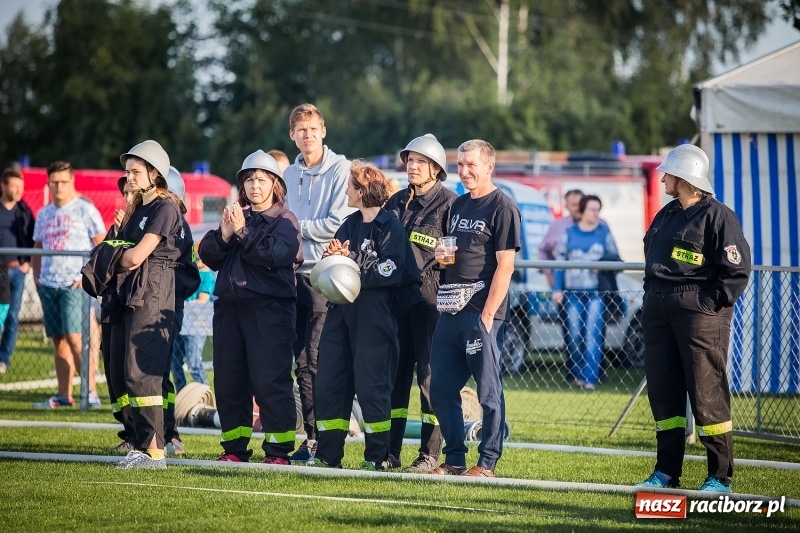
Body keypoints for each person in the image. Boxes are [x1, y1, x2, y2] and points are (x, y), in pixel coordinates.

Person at [636, 144, 751, 492]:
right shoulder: (667, 214)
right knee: (664, 393)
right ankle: (666, 472)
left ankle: (719, 476)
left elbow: (736, 271)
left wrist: (705, 304)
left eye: (667, 173)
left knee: (706, 393)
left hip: (699, 316)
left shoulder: (719, 217)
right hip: (659, 310)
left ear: (684, 176)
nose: (663, 178)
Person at [312, 160, 420, 471]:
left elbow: (390, 269)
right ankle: (327, 455)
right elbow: (338, 260)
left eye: (349, 186)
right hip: (341, 314)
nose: (345, 190)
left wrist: (353, 260)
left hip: (374, 318)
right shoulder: (349, 223)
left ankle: (377, 457)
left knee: (373, 387)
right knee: (331, 381)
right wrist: (333, 256)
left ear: (363, 190)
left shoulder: (391, 225)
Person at [198, 150, 302, 465]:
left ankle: (278, 451)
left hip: (269, 311)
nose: (254, 185)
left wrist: (241, 233)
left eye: (261, 179)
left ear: (274, 184)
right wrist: (225, 234)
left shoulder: (284, 220)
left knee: (270, 380)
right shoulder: (236, 216)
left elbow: (275, 255)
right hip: (230, 310)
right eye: (249, 179)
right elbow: (208, 254)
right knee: (229, 381)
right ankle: (234, 449)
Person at [429, 139, 521, 478]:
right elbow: (451, 256)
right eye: (460, 165)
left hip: (481, 314)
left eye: (471, 165)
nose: (464, 171)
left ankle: (486, 463)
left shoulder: (503, 207)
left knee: (487, 391)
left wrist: (486, 316)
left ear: (488, 167)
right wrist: (441, 258)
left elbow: (505, 266)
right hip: (450, 311)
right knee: (439, 388)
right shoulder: (458, 206)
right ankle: (454, 459)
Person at [282, 103, 353, 463]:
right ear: (292, 135)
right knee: (300, 362)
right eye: (301, 130)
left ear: (323, 131)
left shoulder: (342, 169)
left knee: (317, 359)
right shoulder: (287, 175)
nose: (307, 135)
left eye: (313, 129)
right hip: (291, 276)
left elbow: (338, 222)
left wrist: (296, 230)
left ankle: (324, 440)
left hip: (324, 277)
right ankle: (311, 437)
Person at [384, 134, 456, 472]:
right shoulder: (396, 202)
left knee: (428, 379)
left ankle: (430, 454)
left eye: (419, 161)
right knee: (395, 379)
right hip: (397, 305)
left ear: (436, 169)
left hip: (431, 307)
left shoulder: (450, 204)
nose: (411, 166)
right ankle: (389, 451)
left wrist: (448, 260)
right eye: (409, 160)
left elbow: (459, 255)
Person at [110, 140, 184, 469]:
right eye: (127, 172)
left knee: (145, 373)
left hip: (154, 291)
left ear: (156, 174)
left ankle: (155, 452)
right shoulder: (137, 208)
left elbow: (138, 255)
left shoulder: (164, 208)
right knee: (129, 373)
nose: (129, 177)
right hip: (134, 293)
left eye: (136, 171)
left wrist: (109, 257)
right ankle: (142, 446)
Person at [32, 161, 105, 409]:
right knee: (59, 341)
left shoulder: (85, 210)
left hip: (76, 285)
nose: (59, 186)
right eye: (54, 182)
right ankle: (64, 395)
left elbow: (102, 247)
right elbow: (37, 249)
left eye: (63, 181)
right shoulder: (43, 214)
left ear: (71, 181)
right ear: (48, 183)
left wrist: (88, 276)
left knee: (77, 339)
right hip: (48, 285)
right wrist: (37, 279)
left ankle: (90, 392)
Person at [551, 195, 621, 391]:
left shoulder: (604, 232)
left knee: (593, 335)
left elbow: (616, 258)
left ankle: (589, 378)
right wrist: (557, 289)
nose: (596, 214)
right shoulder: (569, 233)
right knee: (573, 335)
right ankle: (577, 372)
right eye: (592, 209)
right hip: (572, 294)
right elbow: (559, 263)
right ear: (582, 211)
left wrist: (602, 266)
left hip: (596, 294)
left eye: (598, 210)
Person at [0, 167, 35, 374]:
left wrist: (27, 263)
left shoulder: (25, 212)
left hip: (16, 272)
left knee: (12, 317)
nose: (18, 190)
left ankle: (3, 359)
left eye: (20, 186)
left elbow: (33, 239)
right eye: (14, 186)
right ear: (3, 186)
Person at [171, 237, 212, 392]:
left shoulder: (206, 276)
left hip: (196, 326)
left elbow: (203, 299)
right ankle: (181, 393)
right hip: (182, 323)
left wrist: (185, 304)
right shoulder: (190, 273)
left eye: (200, 256)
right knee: (175, 363)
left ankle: (203, 393)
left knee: (194, 362)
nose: (197, 259)